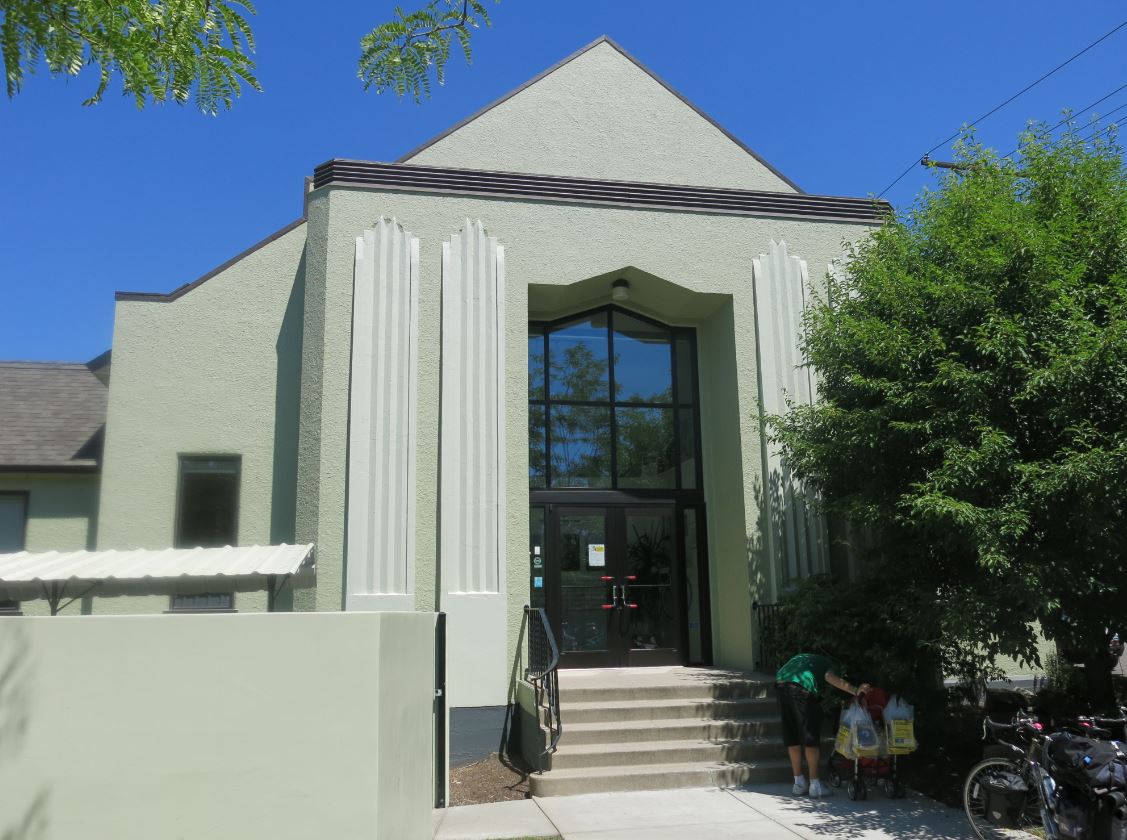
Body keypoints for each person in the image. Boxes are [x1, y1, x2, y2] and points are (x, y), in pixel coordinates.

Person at [776, 652, 871, 797]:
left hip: (781, 686)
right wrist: (855, 691)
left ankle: (799, 783)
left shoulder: (806, 659)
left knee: (792, 736)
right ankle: (815, 786)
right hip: (800, 689)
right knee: (810, 737)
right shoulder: (829, 664)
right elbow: (830, 677)